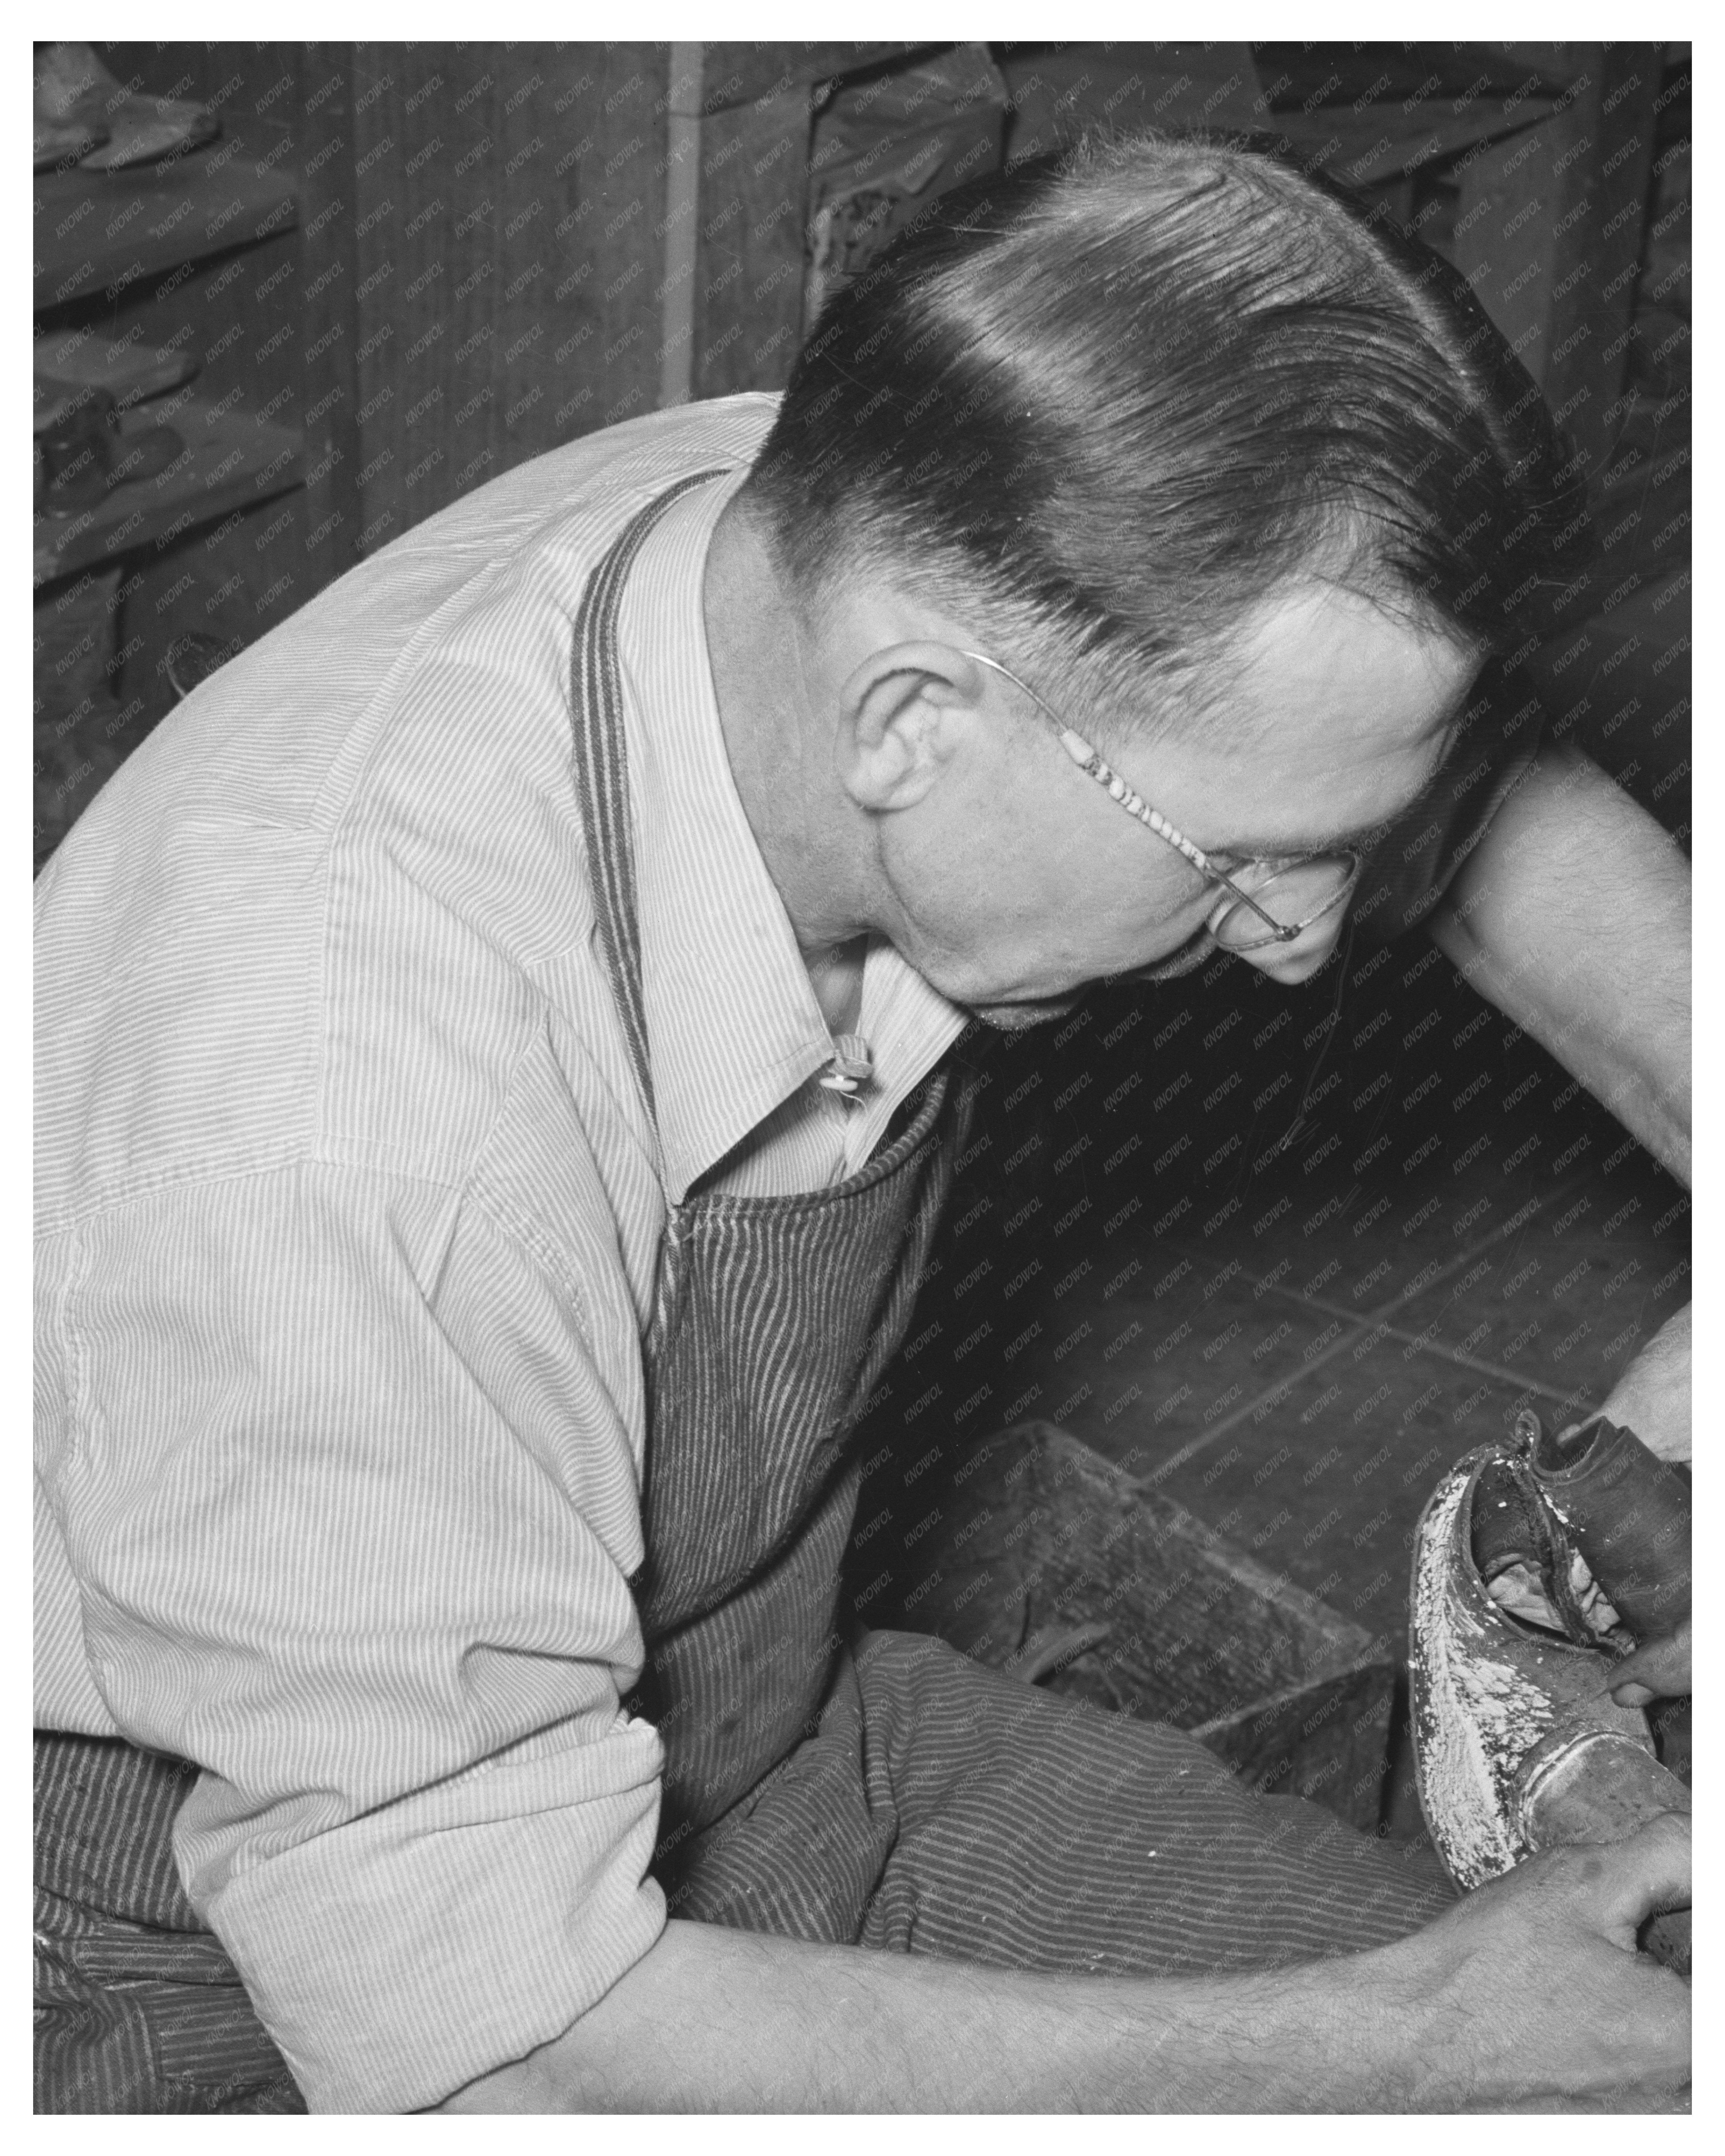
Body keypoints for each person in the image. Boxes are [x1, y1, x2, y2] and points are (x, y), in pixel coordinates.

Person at [34, 130, 1690, 2114]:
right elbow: (504, 2058)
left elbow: (1422, 781)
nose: (1299, 944)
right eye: (1248, 863)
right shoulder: (349, 1128)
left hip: (761, 1746)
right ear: (912, 721)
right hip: (245, 1992)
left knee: (1621, 2081)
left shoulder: (857, 521)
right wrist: (1405, 2042)